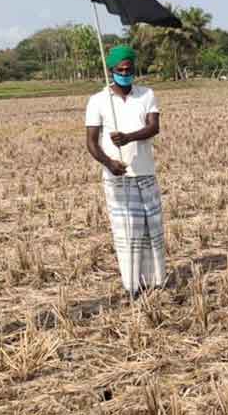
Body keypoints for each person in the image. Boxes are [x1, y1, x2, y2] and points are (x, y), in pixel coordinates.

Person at [85, 45, 165, 297]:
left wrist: (128, 137)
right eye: (120, 70)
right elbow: (91, 142)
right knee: (128, 232)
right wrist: (109, 163)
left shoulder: (147, 94)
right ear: (111, 71)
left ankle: (156, 281)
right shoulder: (98, 100)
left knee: (152, 228)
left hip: (145, 172)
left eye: (129, 69)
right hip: (117, 176)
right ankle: (132, 285)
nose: (125, 73)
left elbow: (154, 128)